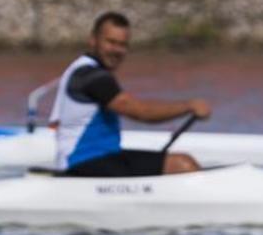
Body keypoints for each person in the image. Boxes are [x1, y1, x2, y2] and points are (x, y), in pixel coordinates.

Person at [49, 12, 212, 176]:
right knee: (182, 165)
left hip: (101, 158)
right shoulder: (93, 77)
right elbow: (141, 112)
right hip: (83, 163)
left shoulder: (83, 69)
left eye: (123, 45)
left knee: (175, 163)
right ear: (93, 40)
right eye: (111, 42)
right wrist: (189, 106)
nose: (117, 50)